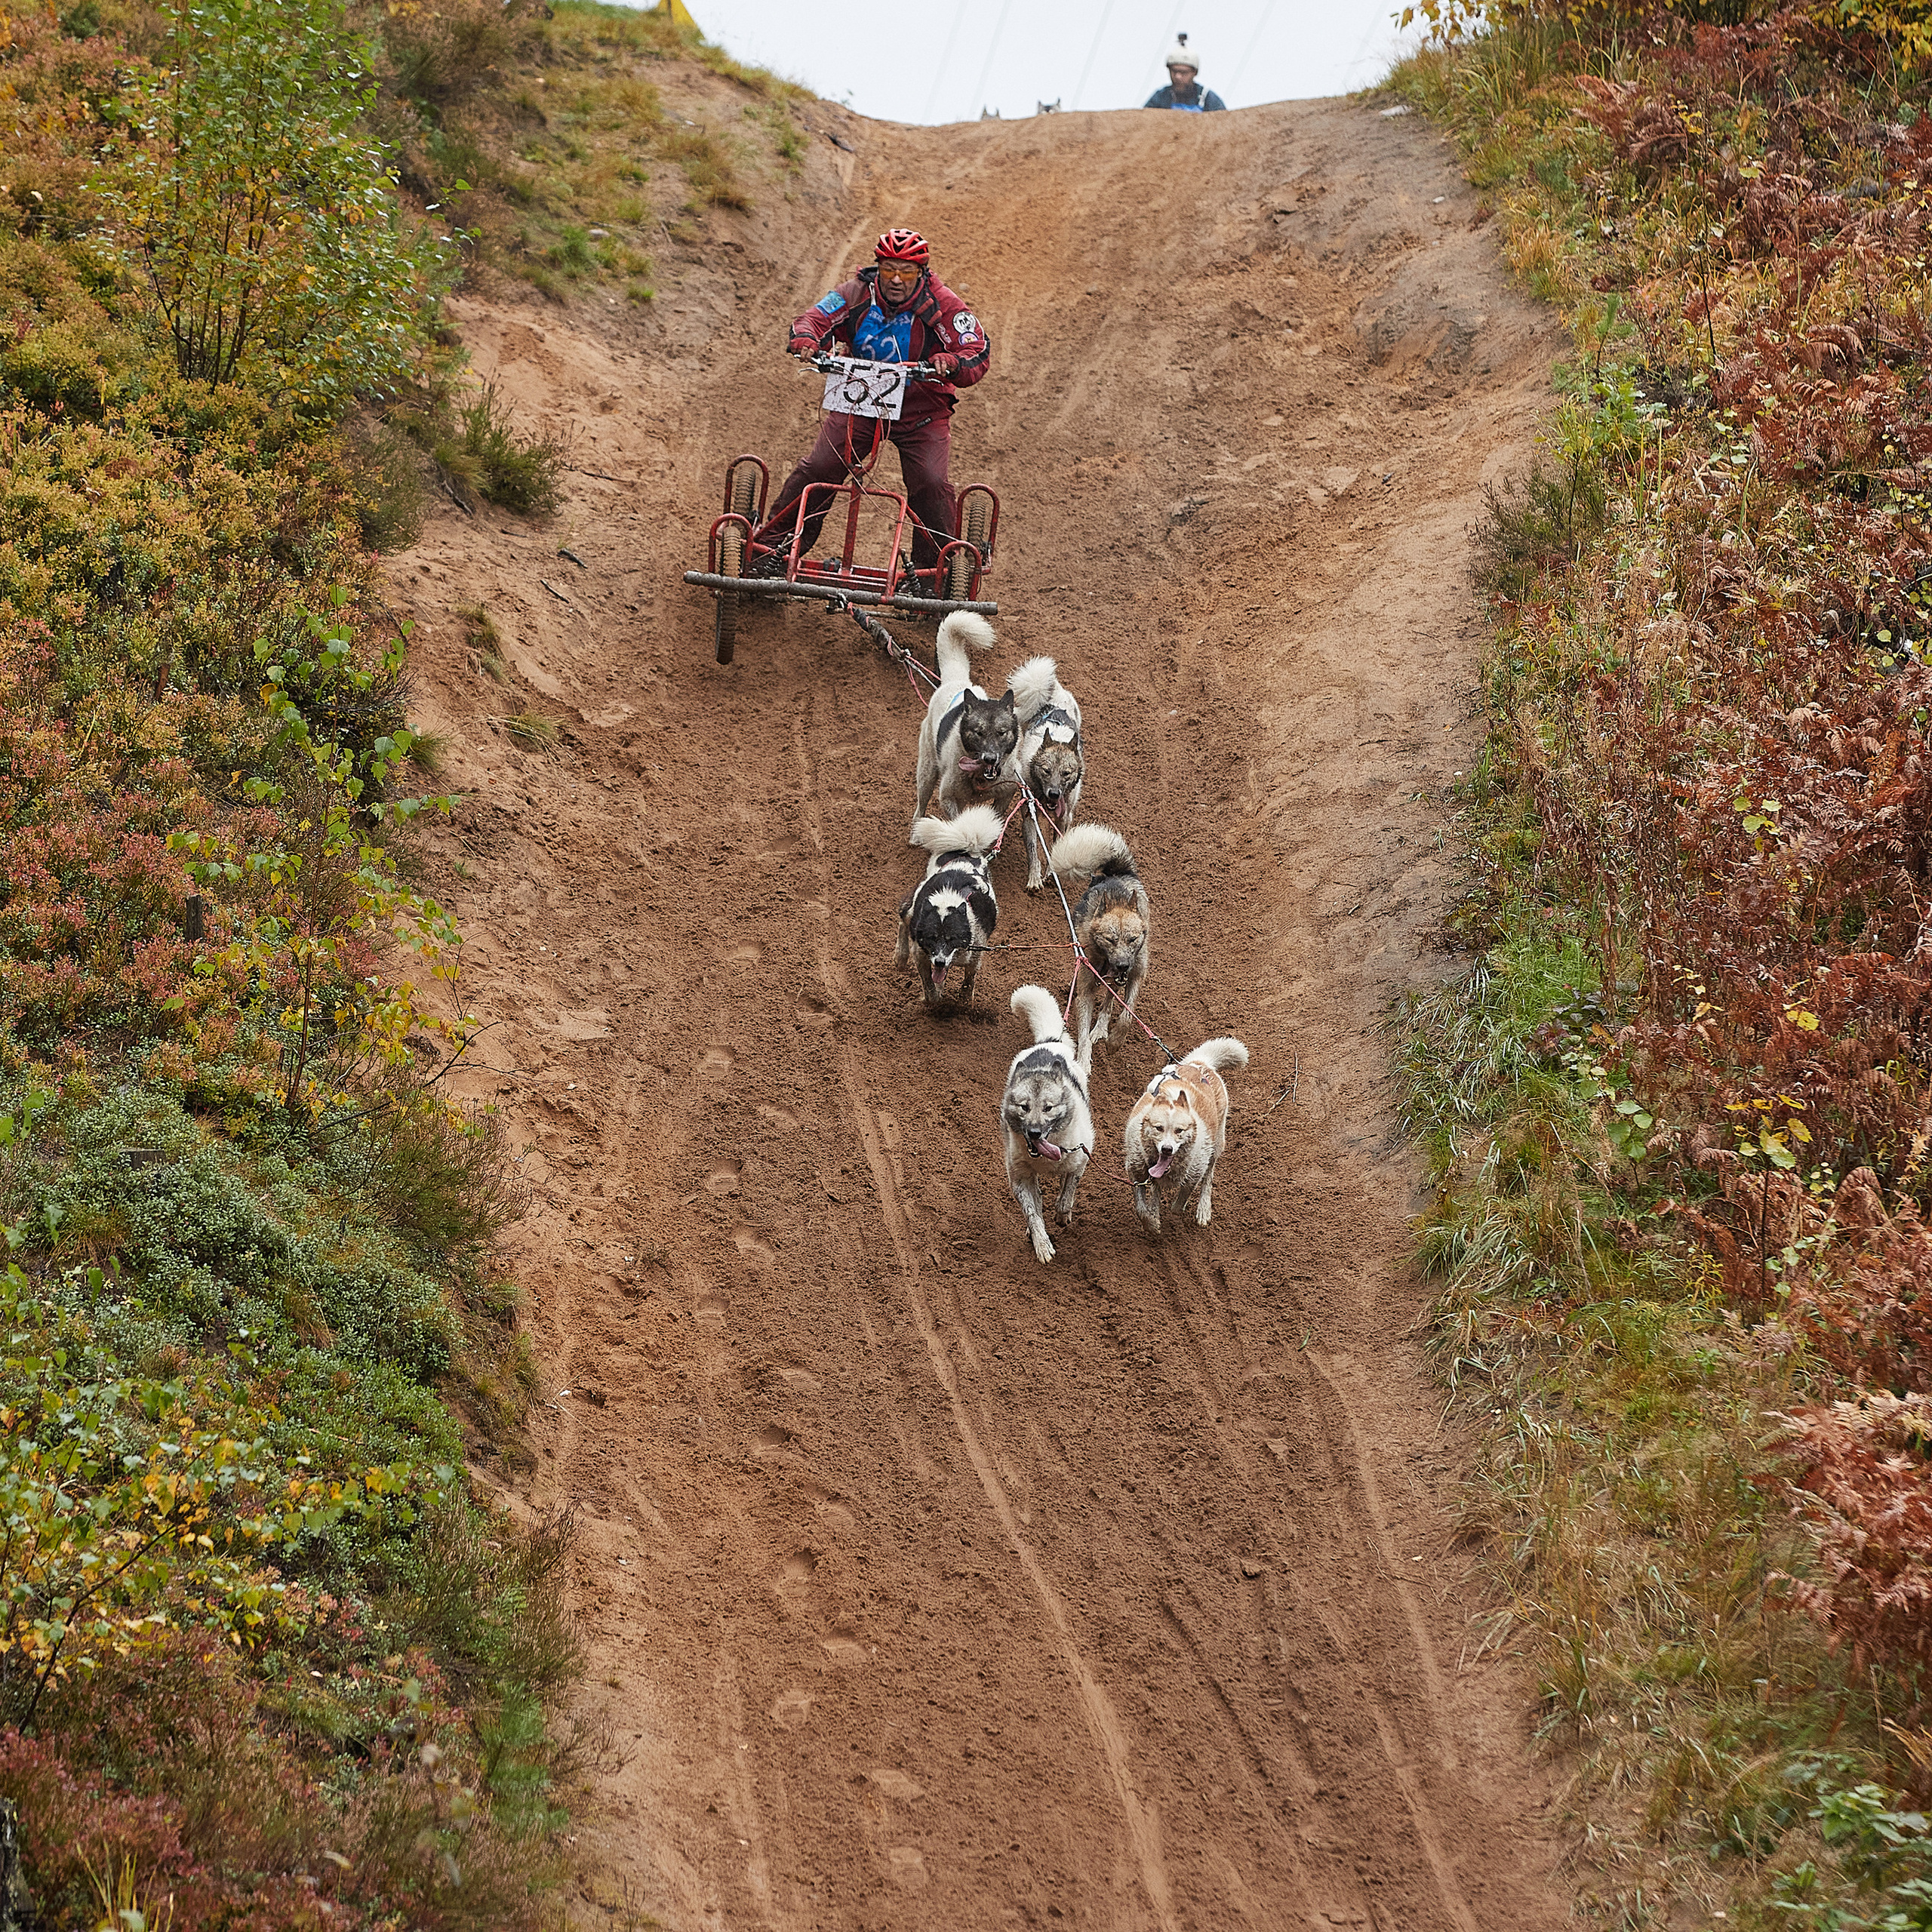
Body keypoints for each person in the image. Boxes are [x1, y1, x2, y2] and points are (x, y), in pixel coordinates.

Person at [752, 228, 991, 577]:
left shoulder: (943, 303)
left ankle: (934, 572)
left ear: (922, 272)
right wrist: (806, 338)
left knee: (931, 482)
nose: (896, 279)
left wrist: (951, 362)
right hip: (859, 402)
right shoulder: (855, 293)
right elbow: (815, 319)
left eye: (906, 272)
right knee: (820, 467)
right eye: (889, 269)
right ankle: (772, 551)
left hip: (921, 411)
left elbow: (976, 349)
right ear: (877, 267)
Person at [1143, 37, 1226, 112]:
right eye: (1174, 71)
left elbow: (1223, 120)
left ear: (1195, 73)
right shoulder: (1161, 97)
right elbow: (1144, 119)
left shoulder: (1207, 98)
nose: (1178, 77)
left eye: (1183, 73)